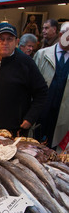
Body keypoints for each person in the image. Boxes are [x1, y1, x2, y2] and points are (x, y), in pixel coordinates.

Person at [0, 22, 48, 137]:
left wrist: (30, 118)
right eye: (1, 39)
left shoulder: (26, 63)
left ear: (16, 42)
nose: (5, 43)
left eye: (9, 39)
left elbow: (42, 92)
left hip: (15, 129)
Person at [33, 21, 69, 149]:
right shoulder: (42, 55)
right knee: (34, 146)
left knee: (56, 152)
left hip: (63, 116)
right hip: (40, 113)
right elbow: (30, 85)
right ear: (60, 34)